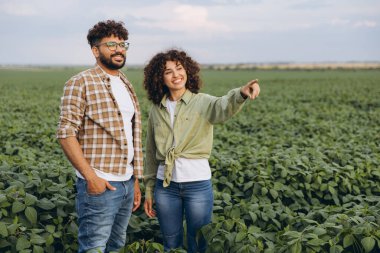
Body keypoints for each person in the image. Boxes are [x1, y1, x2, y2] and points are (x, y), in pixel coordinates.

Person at [143, 49, 260, 252]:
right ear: (159, 78)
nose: (176, 75)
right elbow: (151, 150)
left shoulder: (202, 102)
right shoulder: (156, 109)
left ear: (188, 72)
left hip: (196, 185)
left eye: (179, 69)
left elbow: (223, 106)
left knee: (199, 243)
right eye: (168, 71)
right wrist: (149, 188)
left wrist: (241, 93)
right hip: (165, 186)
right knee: (171, 243)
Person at [56, 20, 143, 253]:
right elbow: (66, 133)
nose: (119, 49)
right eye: (111, 44)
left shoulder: (124, 82)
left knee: (115, 245)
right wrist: (91, 178)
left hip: (125, 182)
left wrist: (134, 179)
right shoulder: (80, 82)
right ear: (96, 51)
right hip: (100, 183)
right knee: (93, 247)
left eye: (123, 44)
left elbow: (130, 134)